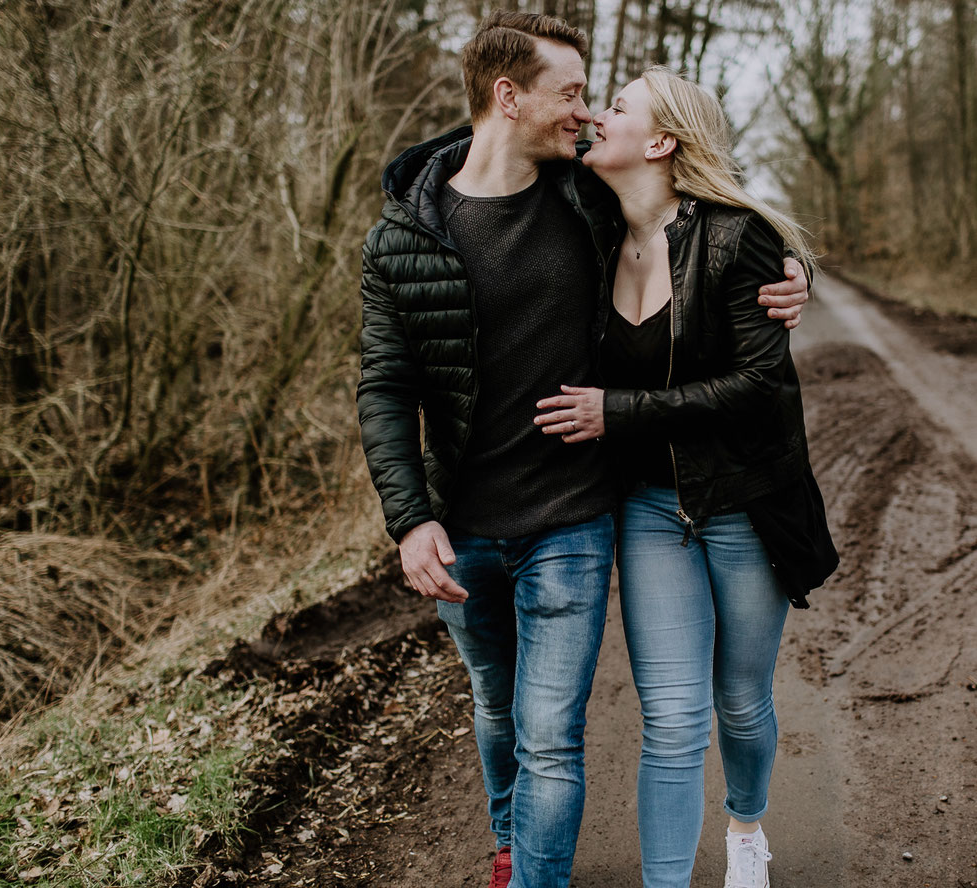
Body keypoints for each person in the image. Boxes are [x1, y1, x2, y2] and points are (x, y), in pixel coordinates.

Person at [357, 14, 809, 888]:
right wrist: (409, 518)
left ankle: (594, 862)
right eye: (572, 94)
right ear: (507, 96)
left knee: (578, 734)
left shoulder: (585, 198)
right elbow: (385, 387)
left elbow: (709, 211)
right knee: (515, 708)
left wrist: (793, 276)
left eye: (601, 100)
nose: (588, 114)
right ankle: (513, 844)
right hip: (479, 517)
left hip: (588, 513)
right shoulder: (405, 237)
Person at [535, 67, 838, 888]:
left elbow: (756, 386)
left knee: (739, 703)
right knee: (671, 720)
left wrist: (617, 412)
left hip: (743, 501)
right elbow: (475, 152)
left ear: (661, 142)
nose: (597, 114)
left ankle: (746, 828)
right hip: (647, 508)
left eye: (619, 106)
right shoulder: (586, 224)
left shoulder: (739, 238)